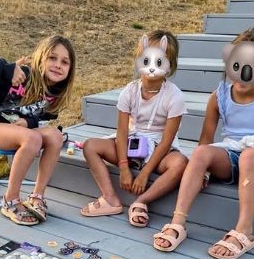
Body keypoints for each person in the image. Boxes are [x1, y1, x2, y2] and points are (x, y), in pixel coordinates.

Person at [153, 27, 254, 259]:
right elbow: (206, 139)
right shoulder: (220, 94)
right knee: (201, 152)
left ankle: (244, 230)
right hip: (231, 153)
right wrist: (201, 171)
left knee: (250, 156)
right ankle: (178, 221)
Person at [80, 30, 188, 226]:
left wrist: (146, 173)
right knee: (90, 145)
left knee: (180, 163)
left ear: (170, 65)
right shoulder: (130, 90)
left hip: (160, 150)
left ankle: (141, 202)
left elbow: (167, 141)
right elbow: (122, 131)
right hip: (132, 143)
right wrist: (123, 167)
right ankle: (110, 198)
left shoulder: (174, 96)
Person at [0, 35, 75, 225]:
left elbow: (40, 118)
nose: (58, 64)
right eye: (52, 58)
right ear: (41, 58)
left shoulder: (54, 94)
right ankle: (10, 199)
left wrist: (29, 122)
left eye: (64, 62)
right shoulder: (21, 74)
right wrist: (7, 70)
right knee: (32, 139)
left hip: (19, 132)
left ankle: (37, 197)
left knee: (55, 135)